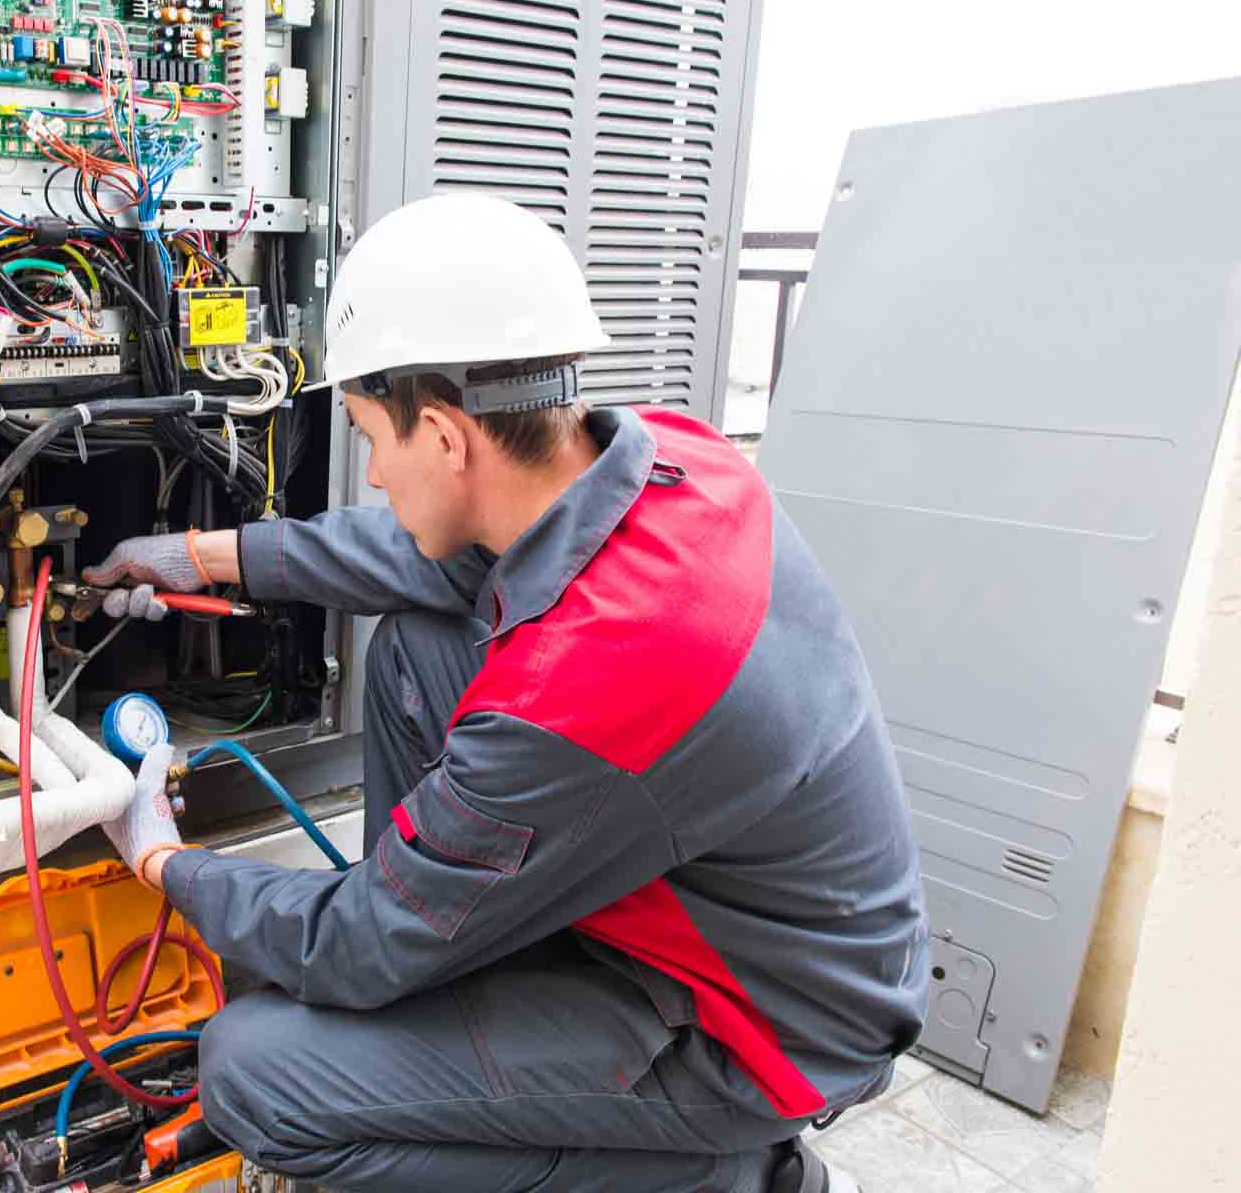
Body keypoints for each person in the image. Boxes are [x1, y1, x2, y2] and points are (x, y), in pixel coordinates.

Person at [85, 194, 927, 1192]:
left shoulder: (588, 679)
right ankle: (445, 938)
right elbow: (420, 559)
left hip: (760, 1023)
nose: (371, 469)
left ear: (444, 436)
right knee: (414, 644)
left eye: (368, 436)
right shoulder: (666, 456)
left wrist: (164, 859)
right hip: (756, 916)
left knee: (256, 1069)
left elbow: (346, 943)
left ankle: (731, 1169)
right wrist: (199, 554)